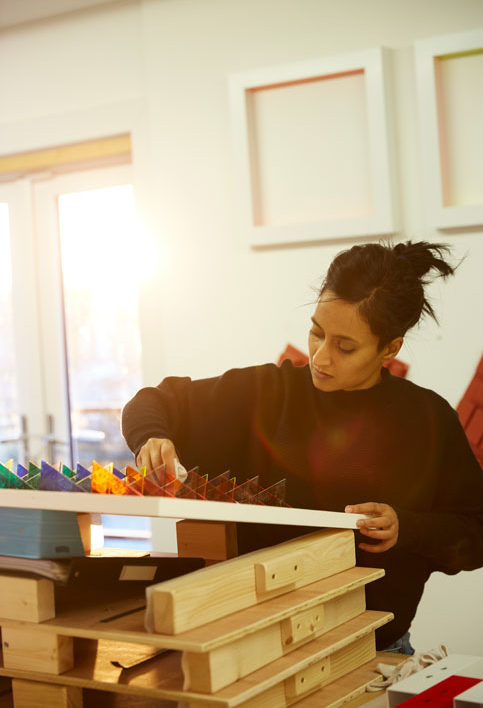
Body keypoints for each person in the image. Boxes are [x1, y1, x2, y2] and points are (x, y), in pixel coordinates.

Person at [121, 240, 483, 653]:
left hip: (373, 650)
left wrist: (408, 527)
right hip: (253, 646)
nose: (320, 357)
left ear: (390, 348)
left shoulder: (428, 420)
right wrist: (152, 437)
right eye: (316, 332)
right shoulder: (267, 393)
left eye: (345, 347)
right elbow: (151, 402)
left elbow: (476, 529)